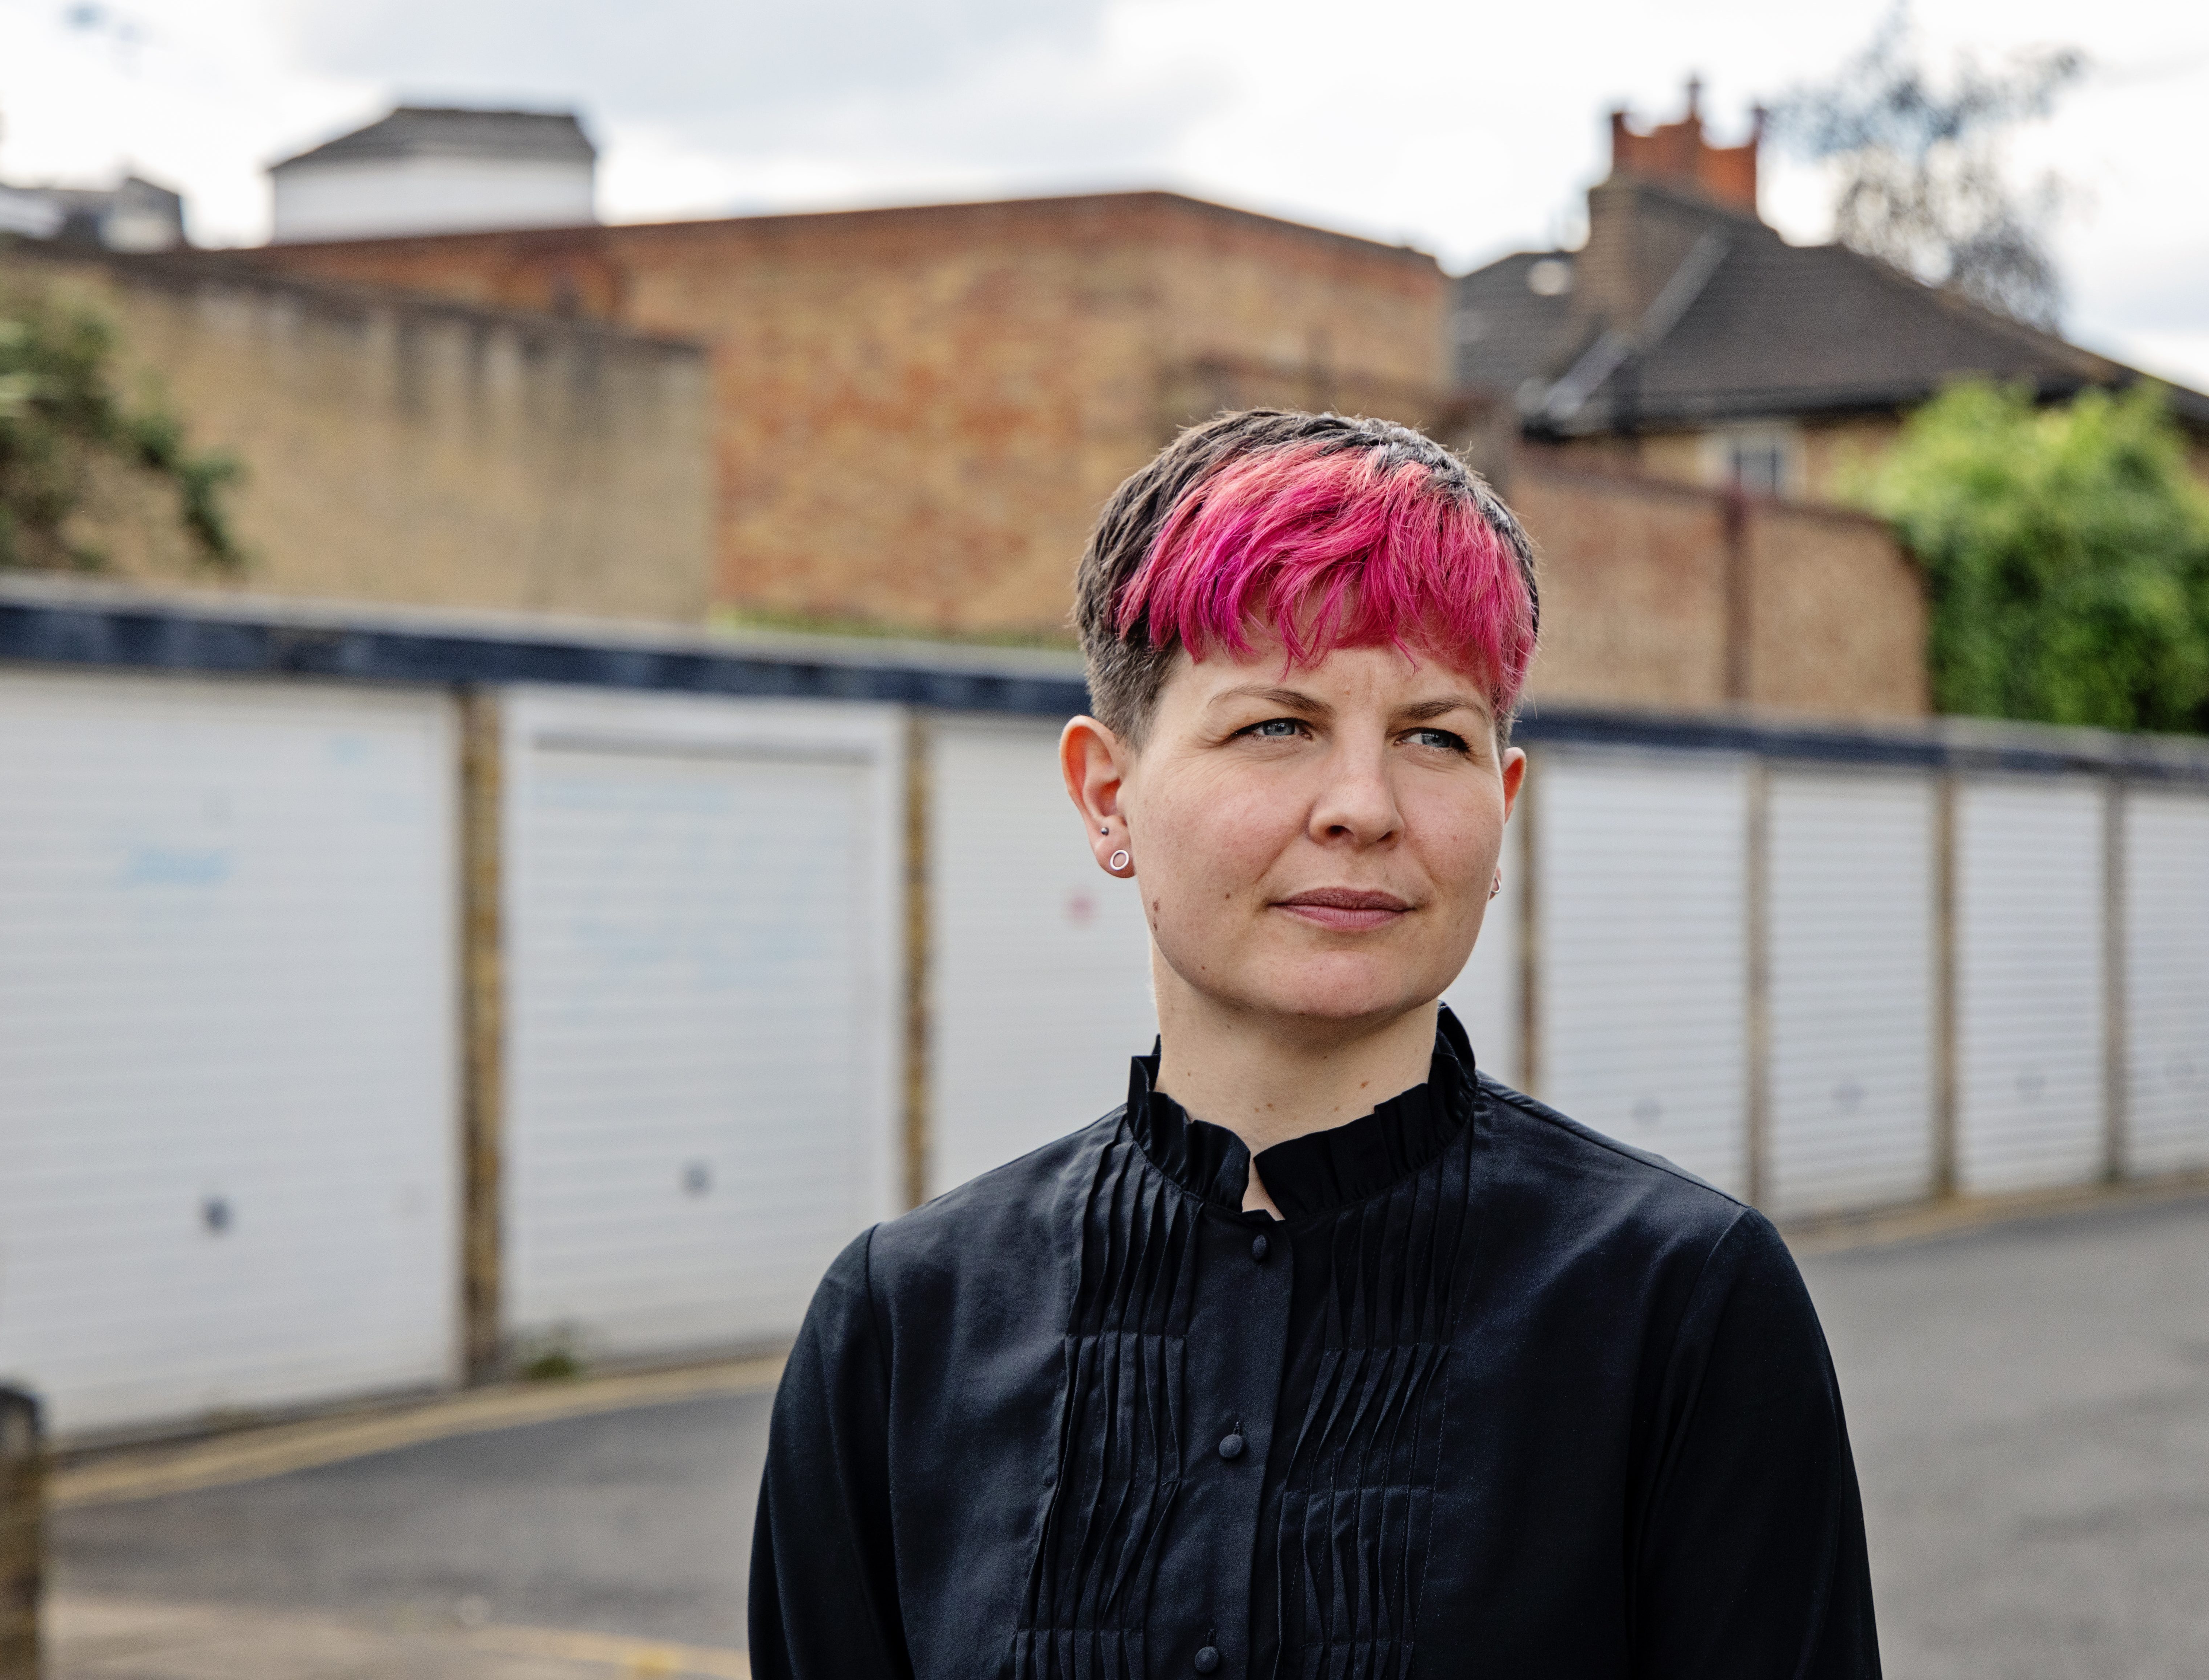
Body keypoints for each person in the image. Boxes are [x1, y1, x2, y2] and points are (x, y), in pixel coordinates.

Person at [750, 409, 1879, 1679]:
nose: (1363, 808)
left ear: (1502, 809)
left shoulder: (1682, 1309)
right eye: (1276, 726)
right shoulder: (902, 1330)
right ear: (1108, 796)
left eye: (1434, 737)